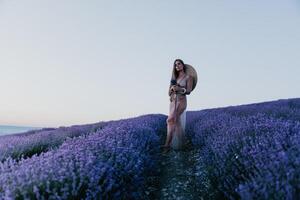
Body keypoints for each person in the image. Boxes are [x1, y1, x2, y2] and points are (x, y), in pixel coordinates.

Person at [161, 59, 197, 153]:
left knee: (170, 120)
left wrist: (179, 89)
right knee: (177, 123)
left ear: (183, 65)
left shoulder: (189, 77)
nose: (177, 66)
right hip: (172, 102)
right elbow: (168, 93)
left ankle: (166, 146)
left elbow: (188, 91)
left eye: (179, 64)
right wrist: (172, 89)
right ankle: (185, 144)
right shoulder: (174, 79)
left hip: (181, 101)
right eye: (175, 65)